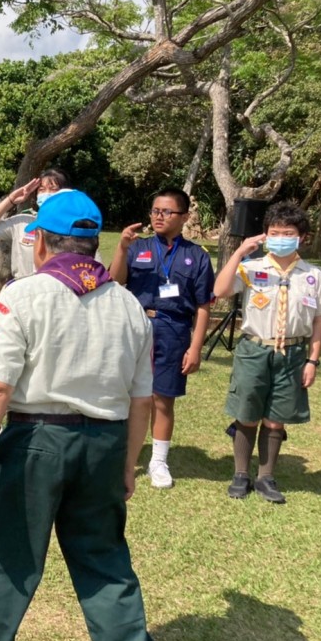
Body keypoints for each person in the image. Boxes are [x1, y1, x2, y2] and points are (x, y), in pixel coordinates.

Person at [0, 189, 161, 641]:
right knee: (105, 559)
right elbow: (142, 401)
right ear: (95, 245)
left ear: (41, 241)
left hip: (36, 440)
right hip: (106, 443)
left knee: (7, 557)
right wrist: (130, 463)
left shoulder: (23, 295)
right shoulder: (130, 305)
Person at [212, 201, 321, 504]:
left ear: (301, 237)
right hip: (255, 348)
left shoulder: (313, 275)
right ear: (265, 234)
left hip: (292, 353)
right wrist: (239, 252)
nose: (280, 237)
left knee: (276, 418)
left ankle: (266, 477)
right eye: (274, 231)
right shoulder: (251, 267)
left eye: (287, 232)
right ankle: (241, 474)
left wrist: (312, 360)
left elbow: (318, 322)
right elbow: (221, 290)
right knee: (247, 413)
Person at [108, 187, 214, 489]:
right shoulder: (138, 247)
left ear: (184, 217)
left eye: (167, 212)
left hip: (173, 330)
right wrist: (121, 248)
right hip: (136, 326)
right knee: (125, 394)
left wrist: (195, 348)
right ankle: (123, 455)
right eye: (155, 210)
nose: (159, 216)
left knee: (162, 398)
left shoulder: (196, 256)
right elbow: (116, 280)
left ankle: (158, 461)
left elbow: (203, 305)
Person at [0, 168, 71, 280]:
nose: (46, 194)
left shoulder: (75, 227)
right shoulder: (22, 222)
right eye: (42, 190)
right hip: (22, 292)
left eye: (53, 189)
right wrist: (11, 199)